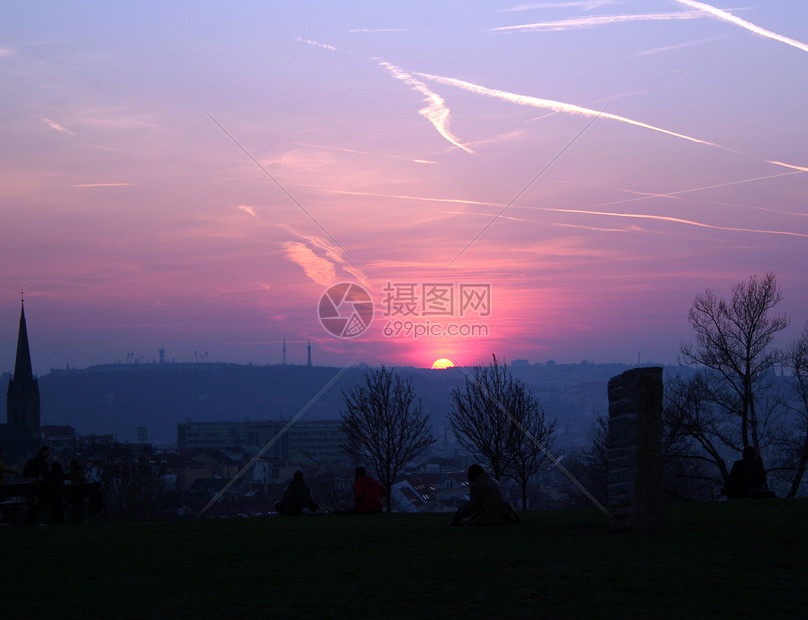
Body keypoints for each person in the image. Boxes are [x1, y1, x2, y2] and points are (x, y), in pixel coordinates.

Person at [450, 464, 519, 526]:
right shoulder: (492, 481)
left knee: (464, 508)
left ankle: (455, 521)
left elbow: (472, 506)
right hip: (500, 511)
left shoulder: (476, 485)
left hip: (487, 511)